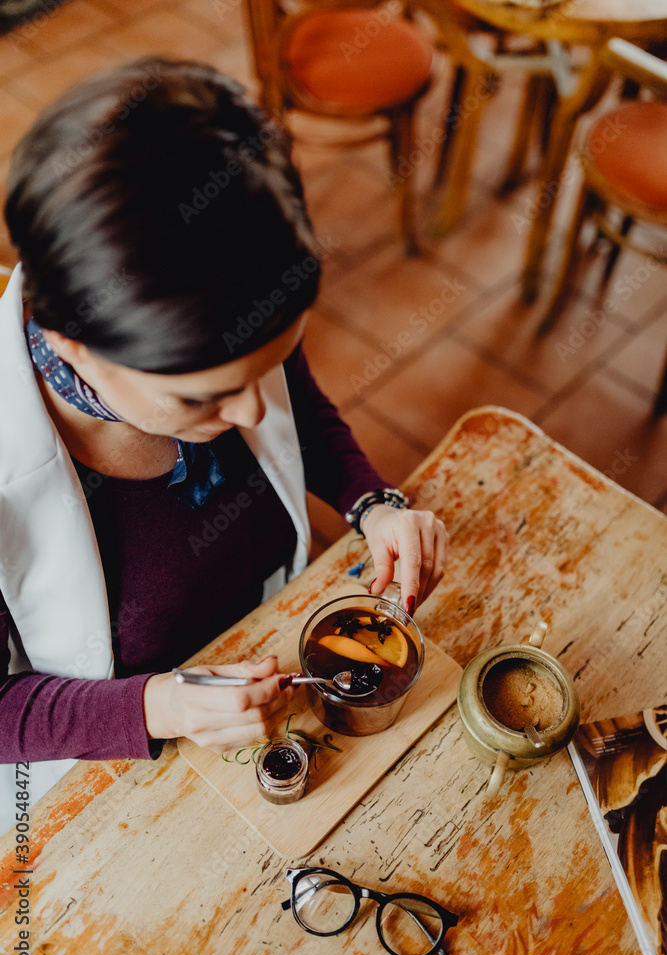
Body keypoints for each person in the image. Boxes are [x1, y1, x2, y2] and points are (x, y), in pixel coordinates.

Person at [0, 57, 448, 829]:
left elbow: (298, 410)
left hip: (269, 633)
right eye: (202, 397)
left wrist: (370, 503)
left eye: (269, 363)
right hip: (127, 773)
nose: (249, 415)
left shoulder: (226, 303)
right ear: (73, 344)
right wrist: (157, 704)